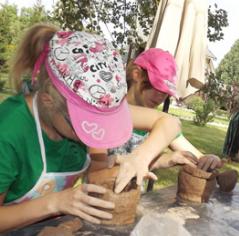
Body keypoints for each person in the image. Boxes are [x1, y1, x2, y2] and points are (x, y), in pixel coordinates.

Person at [0, 24, 180, 232]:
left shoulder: (94, 105)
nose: (96, 138)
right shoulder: (8, 131)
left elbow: (170, 123)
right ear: (48, 101)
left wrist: (139, 158)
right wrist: (54, 203)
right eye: (87, 127)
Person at [91, 48, 222, 174]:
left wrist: (212, 159)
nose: (160, 97)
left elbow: (199, 157)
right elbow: (97, 171)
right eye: (156, 87)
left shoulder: (159, 125)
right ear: (137, 74)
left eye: (166, 93)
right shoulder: (108, 111)